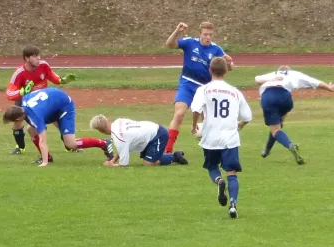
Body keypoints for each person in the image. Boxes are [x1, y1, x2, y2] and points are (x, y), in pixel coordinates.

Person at [191, 57, 252, 219]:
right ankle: (232, 204)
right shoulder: (235, 92)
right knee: (232, 172)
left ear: (210, 71)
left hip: (210, 137)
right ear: (226, 71)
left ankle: (218, 181)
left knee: (212, 167)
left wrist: (194, 125)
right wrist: (239, 126)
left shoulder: (203, 90)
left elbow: (196, 108)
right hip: (230, 139)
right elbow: (247, 116)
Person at [164, 21, 234, 155]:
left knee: (209, 120)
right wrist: (177, 31)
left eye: (210, 35)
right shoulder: (190, 43)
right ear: (200, 34)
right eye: (205, 34)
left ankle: (212, 149)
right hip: (187, 84)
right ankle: (168, 150)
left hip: (204, 89)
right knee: (179, 114)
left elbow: (229, 68)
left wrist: (229, 63)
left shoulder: (216, 49)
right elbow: (169, 45)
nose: (208, 37)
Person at [2, 87, 113, 166]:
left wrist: (44, 164)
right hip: (55, 100)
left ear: (18, 119)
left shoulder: (35, 115)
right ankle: (48, 157)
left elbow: (43, 140)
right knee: (31, 129)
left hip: (64, 106)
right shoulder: (24, 101)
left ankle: (103, 143)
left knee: (71, 144)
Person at [255, 65, 334, 165]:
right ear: (289, 70)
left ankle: (290, 145)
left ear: (278, 70)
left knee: (275, 129)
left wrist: (272, 79)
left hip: (268, 96)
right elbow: (314, 82)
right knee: (279, 123)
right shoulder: (294, 74)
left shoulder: (273, 74)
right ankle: (266, 151)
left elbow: (257, 79)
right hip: (285, 98)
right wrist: (328, 87)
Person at [5, 44, 78, 155]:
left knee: (57, 121)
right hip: (26, 100)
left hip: (42, 100)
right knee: (17, 123)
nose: (38, 58)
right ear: (26, 58)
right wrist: (23, 92)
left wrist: (62, 80)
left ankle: (69, 145)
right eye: (35, 56)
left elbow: (53, 77)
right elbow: (9, 93)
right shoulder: (19, 73)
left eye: (38, 55)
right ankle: (20, 147)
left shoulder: (43, 65)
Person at [89, 115, 188, 167]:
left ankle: (175, 157)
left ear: (101, 131)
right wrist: (113, 160)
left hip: (158, 135)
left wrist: (112, 165)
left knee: (148, 164)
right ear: (108, 120)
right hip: (152, 130)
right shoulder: (119, 121)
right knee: (147, 158)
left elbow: (124, 164)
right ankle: (168, 156)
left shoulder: (118, 138)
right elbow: (123, 147)